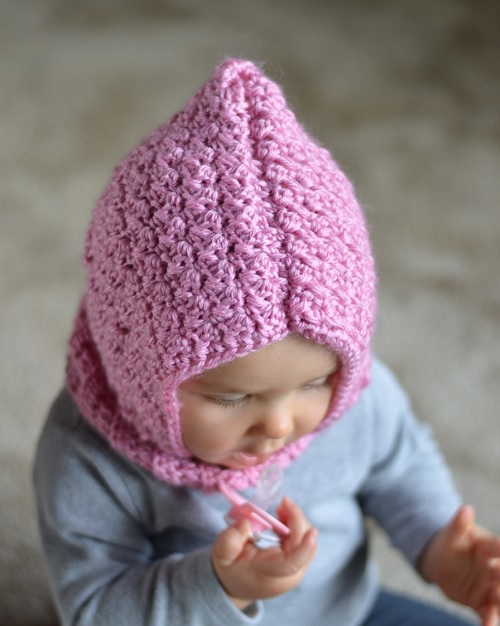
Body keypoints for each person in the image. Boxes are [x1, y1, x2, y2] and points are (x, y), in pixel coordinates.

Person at [33, 58, 500, 626]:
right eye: (232, 398)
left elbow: (400, 467)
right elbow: (93, 607)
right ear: (140, 370)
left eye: (315, 383)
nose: (279, 424)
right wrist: (221, 586)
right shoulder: (86, 456)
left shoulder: (358, 398)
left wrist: (445, 551)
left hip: (347, 614)